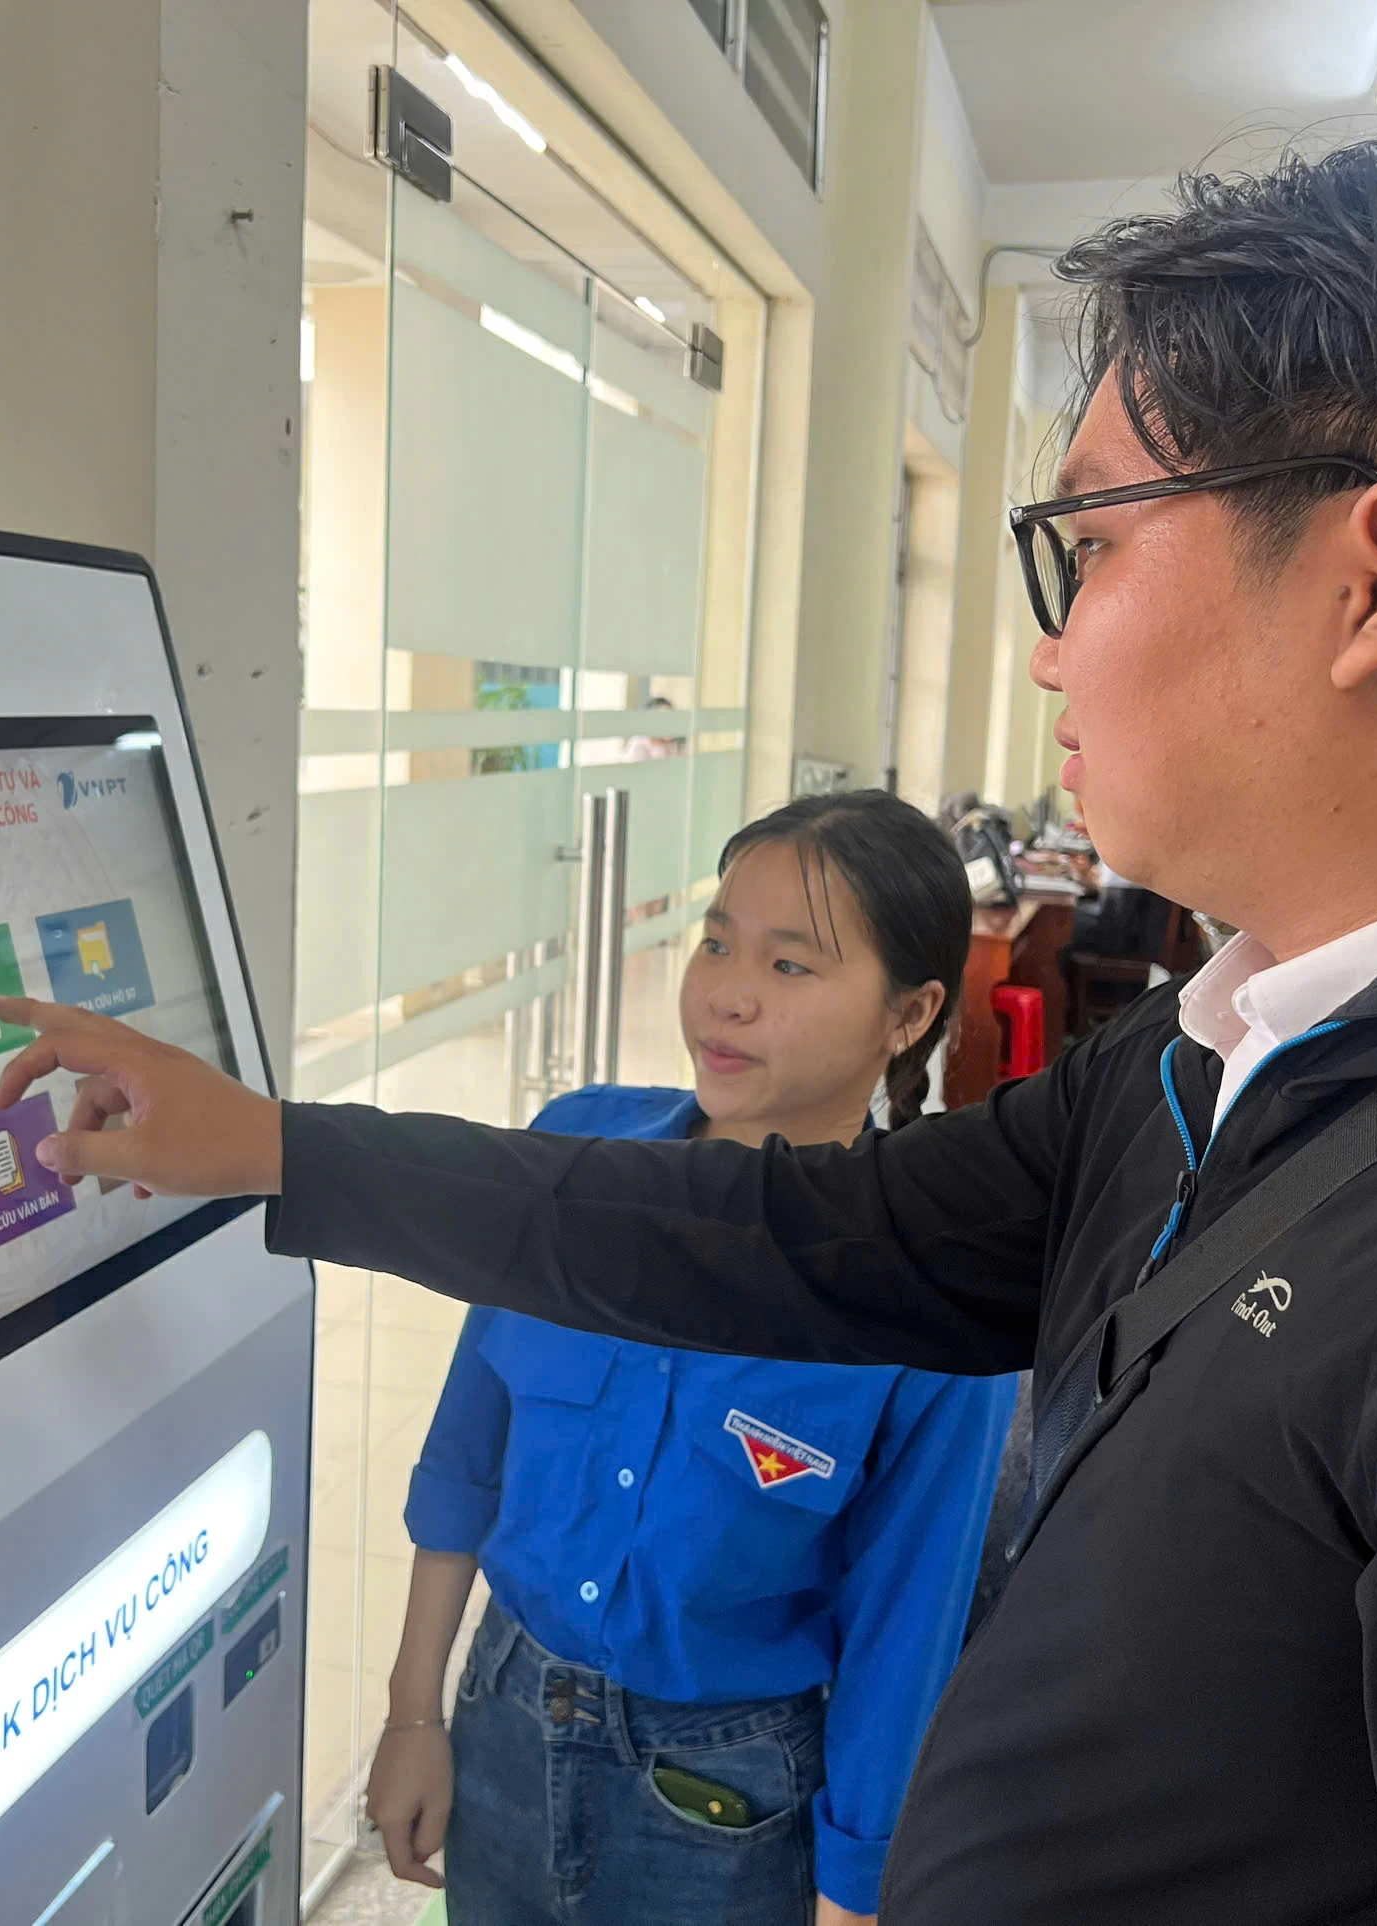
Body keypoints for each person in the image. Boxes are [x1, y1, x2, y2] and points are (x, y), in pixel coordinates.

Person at [0, 127, 1377, 1924]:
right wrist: (280, 1150)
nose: (1049, 646)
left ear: (1372, 582)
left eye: (1090, 547)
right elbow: (782, 1237)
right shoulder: (1221, 1051)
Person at [361, 791, 1009, 1926]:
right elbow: (467, 1452)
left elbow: (907, 1623)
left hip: (727, 1796)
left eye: (790, 965)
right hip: (503, 1714)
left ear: (908, 1015)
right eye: (717, 942)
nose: (727, 994)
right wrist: (414, 1711)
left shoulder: (934, 1291)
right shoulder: (575, 1153)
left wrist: (852, 1896)